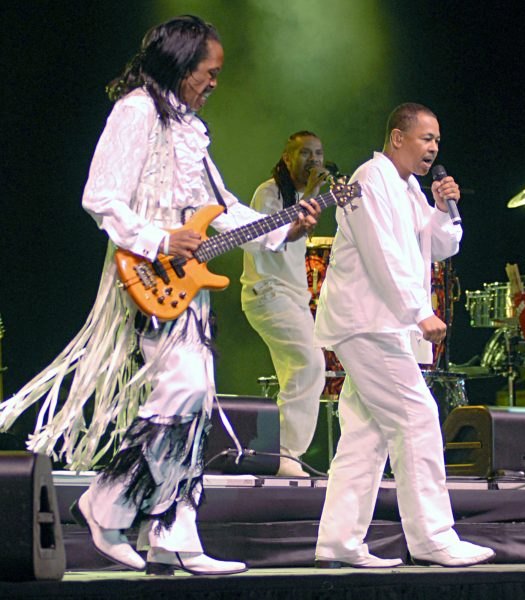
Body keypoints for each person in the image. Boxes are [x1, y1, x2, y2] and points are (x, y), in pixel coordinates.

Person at [0, 15, 319, 575]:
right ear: (181, 64)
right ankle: (107, 504)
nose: (216, 81)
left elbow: (223, 208)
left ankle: (173, 532)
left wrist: (283, 226)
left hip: (186, 284)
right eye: (209, 71)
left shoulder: (187, 126)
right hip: (147, 275)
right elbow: (100, 197)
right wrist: (160, 236)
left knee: (195, 400)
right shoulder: (136, 112)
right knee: (186, 388)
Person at [313, 103, 495, 568]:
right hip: (366, 323)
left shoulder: (410, 187)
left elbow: (440, 244)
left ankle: (338, 541)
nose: (434, 147)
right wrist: (420, 312)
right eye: (425, 137)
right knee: (416, 417)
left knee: (365, 435)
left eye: (437, 140)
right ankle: (432, 537)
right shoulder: (368, 180)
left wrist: (444, 207)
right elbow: (382, 255)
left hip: (381, 326)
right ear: (397, 137)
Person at [241, 132, 329, 477]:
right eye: (305, 152)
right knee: (310, 364)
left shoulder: (302, 195)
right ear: (287, 157)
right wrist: (309, 197)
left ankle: (275, 454)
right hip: (267, 291)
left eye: (318, 153)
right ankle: (287, 454)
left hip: (292, 295)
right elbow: (266, 239)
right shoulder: (269, 192)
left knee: (300, 372)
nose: (313, 159)